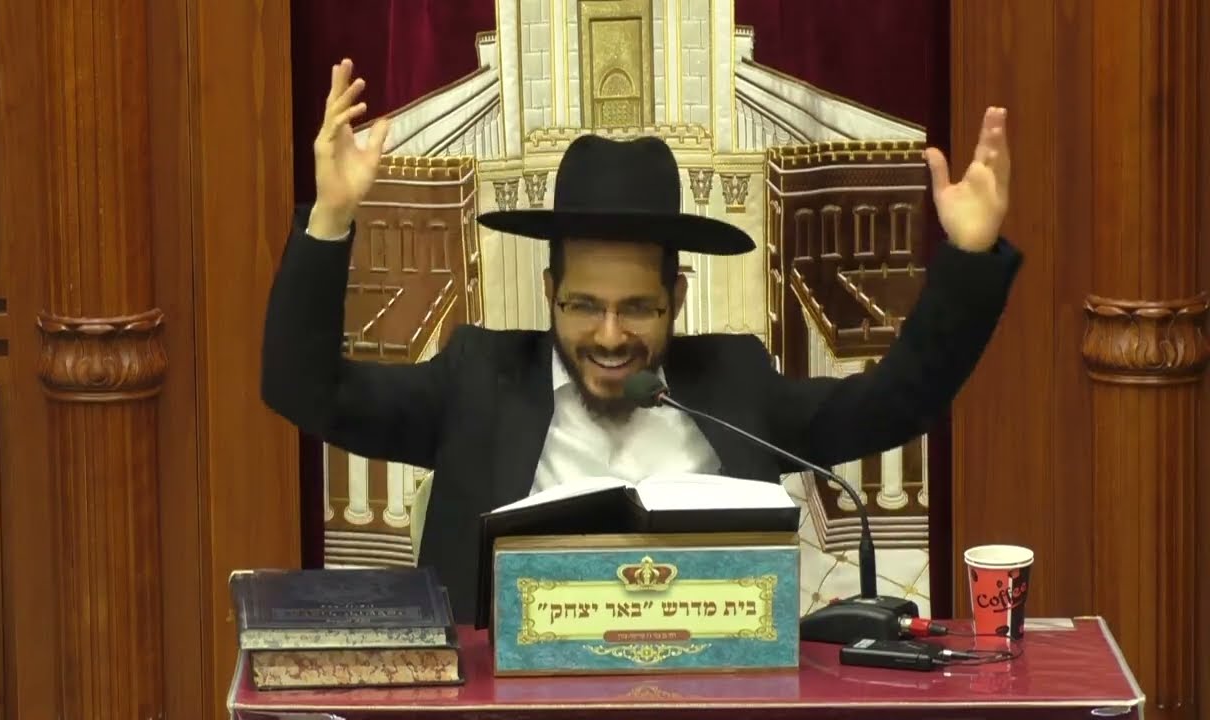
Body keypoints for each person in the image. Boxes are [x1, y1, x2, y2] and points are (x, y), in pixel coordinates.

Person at [261, 59, 1022, 623]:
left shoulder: (732, 383)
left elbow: (896, 403)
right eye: (583, 306)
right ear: (549, 293)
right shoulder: (477, 380)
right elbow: (304, 391)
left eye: (637, 309)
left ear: (676, 299)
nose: (609, 335)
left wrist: (969, 258)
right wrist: (330, 219)